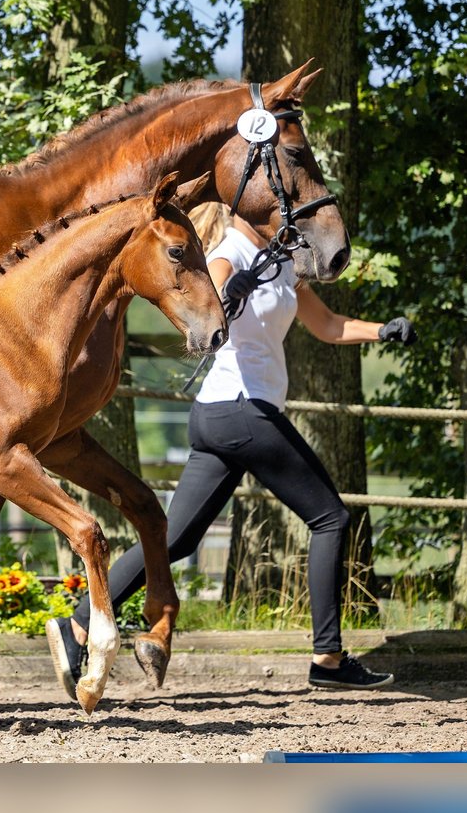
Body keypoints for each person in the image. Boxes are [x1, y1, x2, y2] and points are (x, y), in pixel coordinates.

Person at [46, 202, 417, 694]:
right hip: (244, 410)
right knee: (331, 518)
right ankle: (327, 658)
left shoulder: (283, 262)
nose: (278, 219)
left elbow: (327, 326)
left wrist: (382, 331)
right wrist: (230, 293)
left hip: (224, 415)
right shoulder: (228, 251)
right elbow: (208, 299)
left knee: (175, 539)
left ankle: (76, 626)